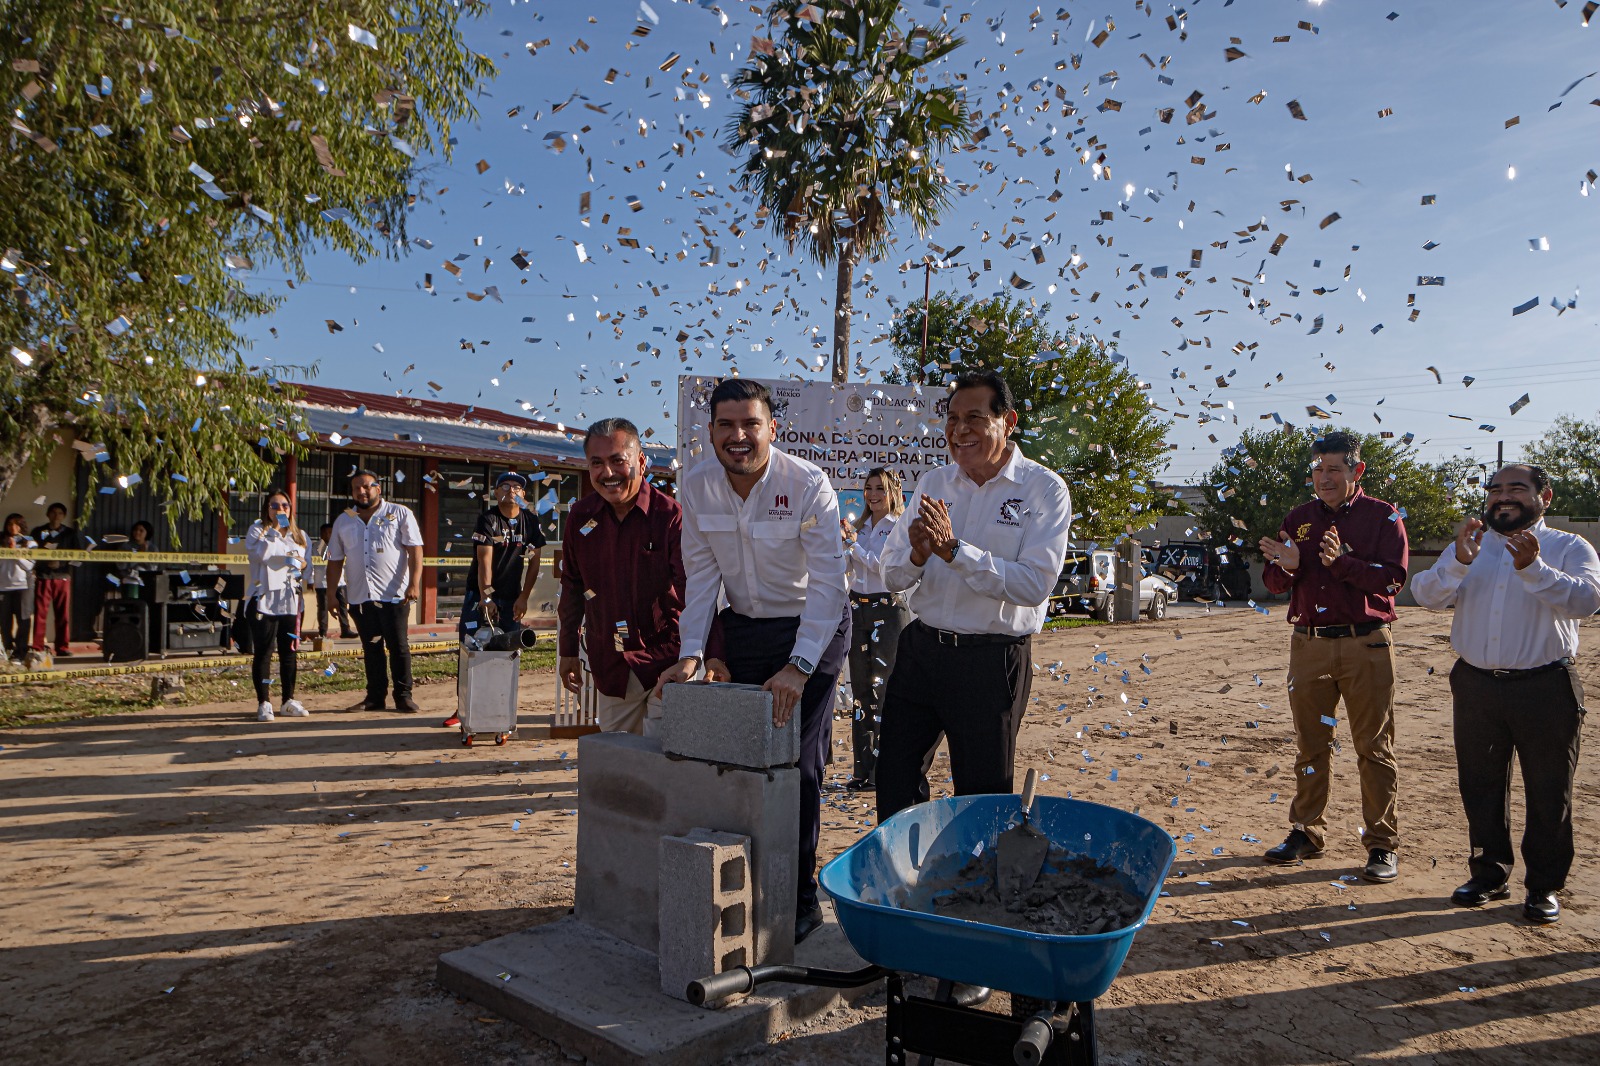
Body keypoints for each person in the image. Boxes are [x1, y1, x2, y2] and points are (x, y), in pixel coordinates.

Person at [656, 378, 850, 945]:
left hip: (811, 630)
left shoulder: (808, 483)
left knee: (800, 764)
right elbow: (700, 577)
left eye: (751, 424)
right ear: (710, 431)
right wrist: (690, 653)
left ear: (772, 428)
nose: (738, 437)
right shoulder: (696, 485)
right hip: (744, 632)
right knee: (742, 758)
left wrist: (799, 666)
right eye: (726, 425)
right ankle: (742, 884)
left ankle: (798, 897)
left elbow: (829, 587)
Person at [875, 370, 1073, 822]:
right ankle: (904, 886)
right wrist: (921, 555)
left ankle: (975, 890)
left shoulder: (1043, 489)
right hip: (922, 651)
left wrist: (955, 550)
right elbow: (892, 574)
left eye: (974, 418)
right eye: (951, 418)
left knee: (983, 798)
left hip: (991, 661)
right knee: (894, 783)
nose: (959, 430)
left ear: (1009, 421)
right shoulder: (934, 483)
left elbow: (1034, 584)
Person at [1411, 464, 1600, 925]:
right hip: (1476, 685)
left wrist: (1533, 568)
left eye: (1516, 488)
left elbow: (1588, 601)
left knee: (1548, 790)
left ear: (1545, 496)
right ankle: (1489, 874)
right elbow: (1425, 595)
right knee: (1480, 785)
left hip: (1545, 687)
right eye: (1494, 489)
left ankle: (1543, 887)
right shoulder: (1472, 548)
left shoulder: (1569, 547)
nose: (1502, 497)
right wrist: (1457, 562)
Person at [1257, 431, 1408, 883]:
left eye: (1335, 469)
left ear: (1356, 471)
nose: (1325, 477)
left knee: (1373, 747)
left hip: (1366, 644)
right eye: (1319, 469)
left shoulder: (1383, 517)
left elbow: (1393, 580)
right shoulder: (1298, 518)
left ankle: (1381, 844)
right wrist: (1287, 563)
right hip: (1308, 645)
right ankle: (1306, 832)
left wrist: (1341, 562)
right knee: (1310, 743)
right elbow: (1274, 583)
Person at [557, 417, 684, 736]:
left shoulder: (669, 517)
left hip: (667, 664)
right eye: (596, 463)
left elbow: (694, 592)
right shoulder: (580, 518)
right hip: (613, 667)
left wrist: (694, 657)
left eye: (618, 460)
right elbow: (572, 585)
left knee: (666, 761)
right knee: (622, 766)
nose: (608, 473)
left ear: (640, 461)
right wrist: (568, 650)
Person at [441, 470, 546, 729]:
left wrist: (523, 598)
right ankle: (464, 708)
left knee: (508, 653)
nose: (511, 490)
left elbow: (534, 564)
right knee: (472, 651)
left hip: (513, 598)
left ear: (523, 495)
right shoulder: (487, 519)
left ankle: (501, 710)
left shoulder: (530, 521)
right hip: (480, 596)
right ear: (496, 493)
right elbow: (484, 562)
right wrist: (486, 598)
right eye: (505, 486)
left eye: (517, 487)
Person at [326, 470, 424, 713]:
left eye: (367, 486)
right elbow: (335, 560)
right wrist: (330, 595)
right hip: (360, 597)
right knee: (371, 648)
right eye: (356, 488)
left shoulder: (399, 513)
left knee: (398, 647)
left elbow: (415, 550)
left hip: (394, 595)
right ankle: (374, 697)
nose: (362, 491)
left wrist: (414, 583)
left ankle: (403, 696)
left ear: (378, 489)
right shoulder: (344, 521)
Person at [839, 467, 911, 790]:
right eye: (868, 488)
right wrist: (843, 545)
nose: (873, 495)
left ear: (892, 492)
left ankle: (884, 769)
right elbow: (848, 567)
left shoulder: (898, 527)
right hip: (858, 608)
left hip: (888, 608)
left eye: (879, 488)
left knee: (884, 692)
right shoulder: (859, 527)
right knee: (861, 693)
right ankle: (861, 769)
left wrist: (854, 545)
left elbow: (883, 567)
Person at [245, 490, 309, 722]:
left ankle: (288, 700)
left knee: (289, 653)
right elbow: (261, 556)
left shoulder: (300, 535)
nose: (280, 509)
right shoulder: (258, 531)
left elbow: (305, 566)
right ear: (267, 509)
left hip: (289, 601)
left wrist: (302, 565)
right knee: (263, 652)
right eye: (274, 506)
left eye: (285, 505)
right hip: (263, 600)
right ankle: (264, 702)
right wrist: (274, 531)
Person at [30, 501, 84, 661]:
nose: (56, 516)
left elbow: (78, 557)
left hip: (62, 577)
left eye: (60, 513)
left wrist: (61, 563)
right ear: (48, 514)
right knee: (40, 613)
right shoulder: (39, 532)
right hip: (43, 577)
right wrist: (43, 563)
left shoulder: (70, 534)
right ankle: (38, 646)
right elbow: (31, 554)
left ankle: (62, 647)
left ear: (64, 516)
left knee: (62, 614)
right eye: (53, 512)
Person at [310, 523, 355, 639]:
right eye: (326, 532)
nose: (328, 534)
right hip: (323, 583)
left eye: (330, 532)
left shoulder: (338, 545)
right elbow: (327, 557)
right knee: (323, 608)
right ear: (321, 533)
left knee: (343, 606)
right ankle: (323, 632)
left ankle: (346, 629)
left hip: (339, 582)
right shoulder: (317, 546)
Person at [1, 513, 35, 665]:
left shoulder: (30, 543)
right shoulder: (1, 541)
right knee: (5, 621)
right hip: (3, 587)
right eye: (9, 524)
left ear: (22, 526)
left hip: (23, 587)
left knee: (23, 620)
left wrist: (14, 551)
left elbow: (29, 565)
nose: (12, 528)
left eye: (16, 524)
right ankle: (7, 649)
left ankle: (21, 652)